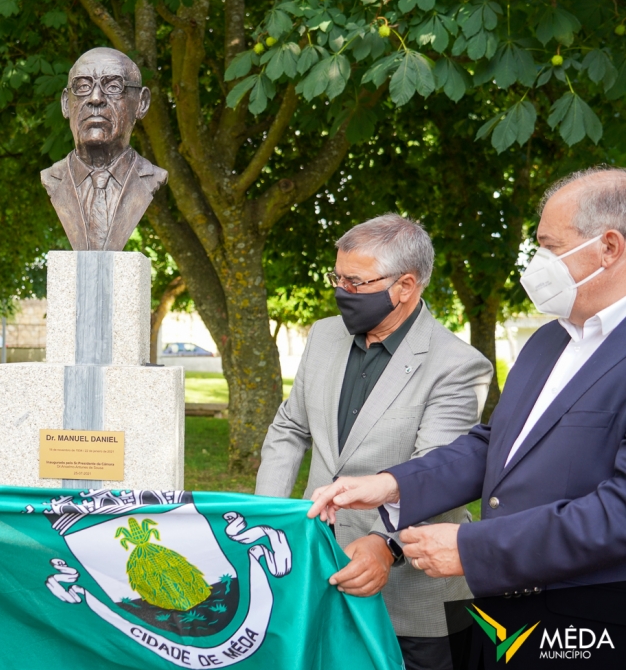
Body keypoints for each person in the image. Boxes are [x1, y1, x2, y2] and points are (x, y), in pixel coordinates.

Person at [307, 167, 626, 600]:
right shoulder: (548, 341)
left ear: (608, 247)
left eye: (551, 247)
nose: (536, 263)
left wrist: (474, 548)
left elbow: (619, 513)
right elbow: (494, 446)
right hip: (511, 614)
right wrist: (392, 485)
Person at [255, 214, 492, 670]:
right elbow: (290, 427)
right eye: (336, 277)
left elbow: (440, 472)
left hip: (412, 603)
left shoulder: (458, 366)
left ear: (405, 285)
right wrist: (271, 518)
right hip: (316, 573)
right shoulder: (324, 335)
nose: (341, 291)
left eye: (356, 282)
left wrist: (387, 544)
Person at [41, 47, 168, 251]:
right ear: (66, 103)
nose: (96, 98)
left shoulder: (152, 178)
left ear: (141, 103)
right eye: (83, 86)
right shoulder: (52, 178)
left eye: (113, 86)